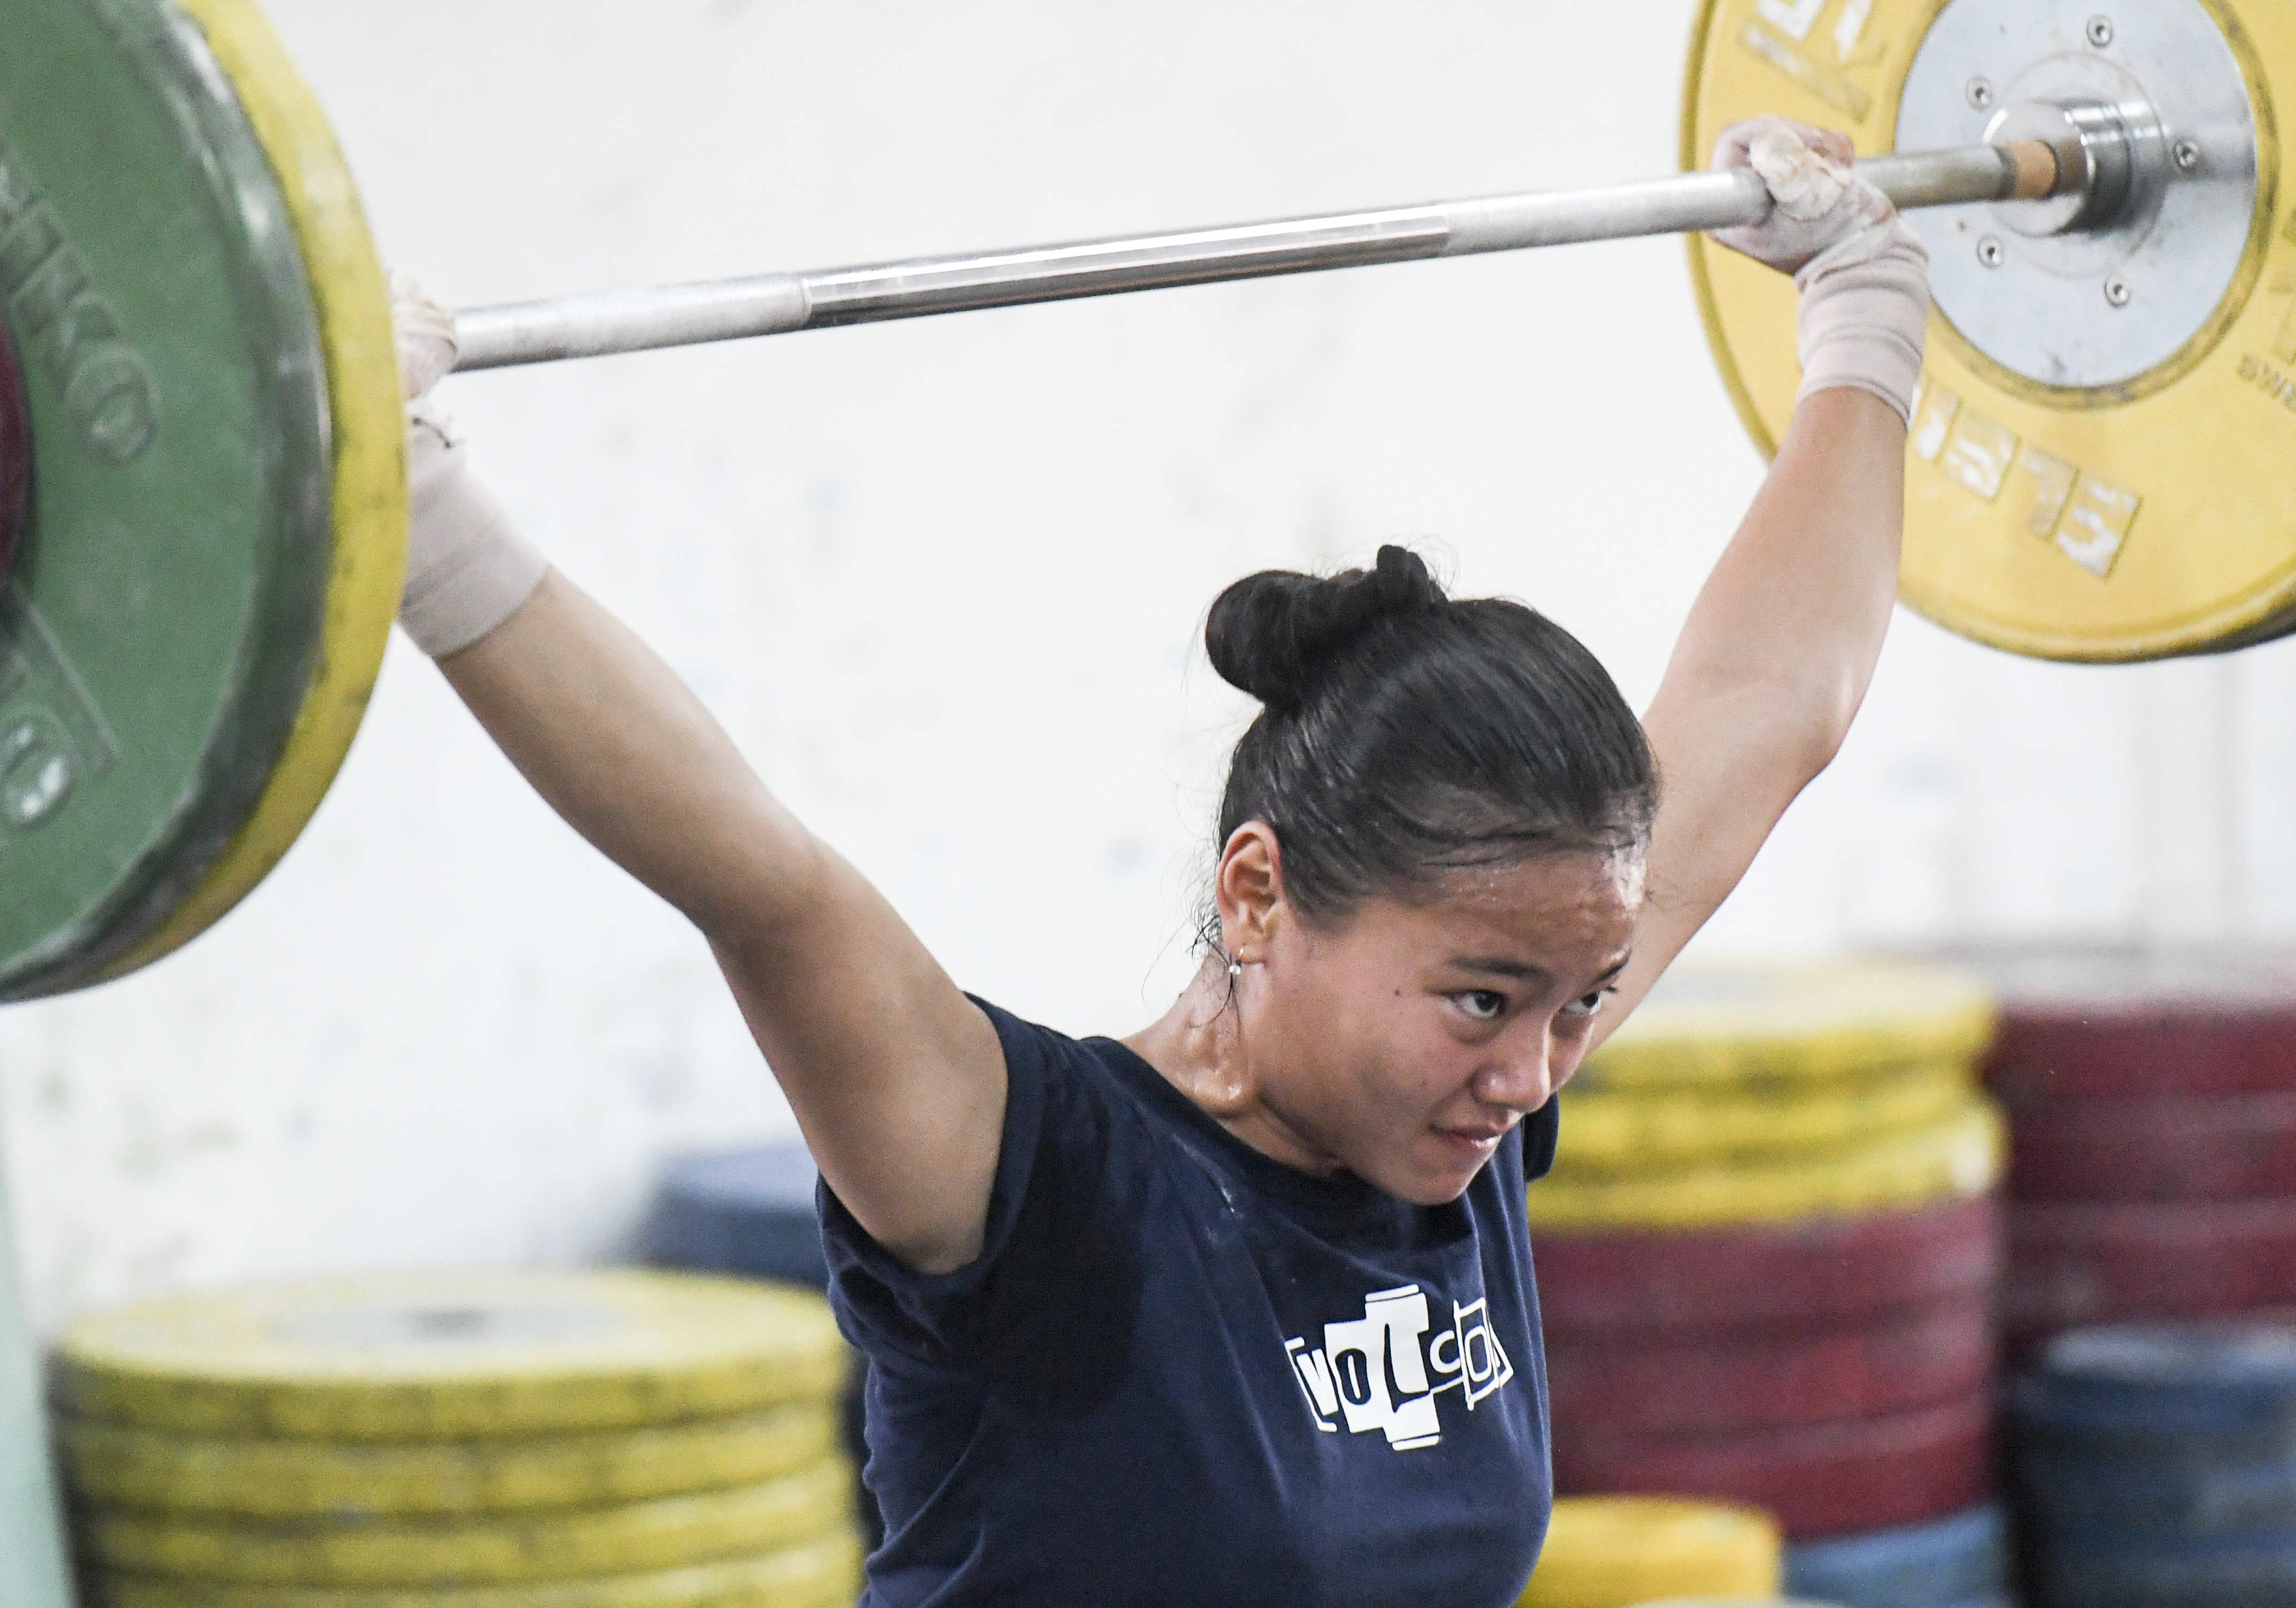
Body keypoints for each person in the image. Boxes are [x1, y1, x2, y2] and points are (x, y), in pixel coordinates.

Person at [393, 116, 1927, 1607]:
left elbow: (1770, 709)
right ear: (1258, 894)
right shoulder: (1032, 1179)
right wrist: (414, 505)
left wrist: (1867, 314)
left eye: (1581, 1003)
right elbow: (751, 874)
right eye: (1482, 1003)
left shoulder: (1462, 1098)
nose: (1536, 1073)